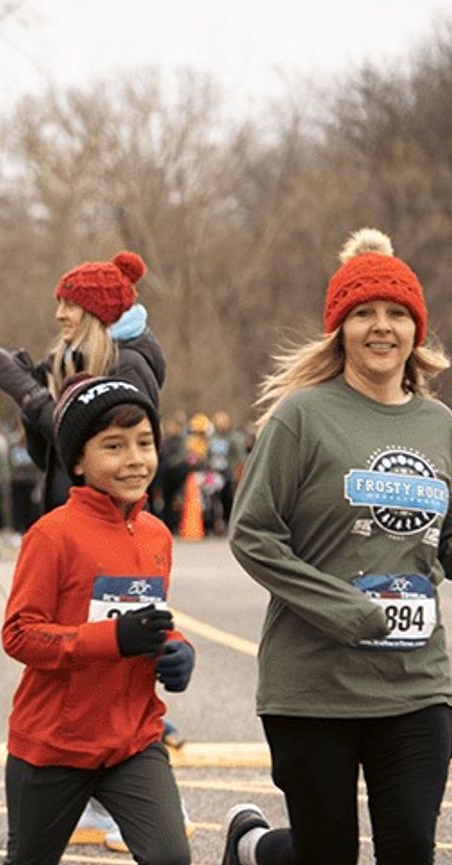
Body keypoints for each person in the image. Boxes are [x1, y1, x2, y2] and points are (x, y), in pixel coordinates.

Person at [224, 228, 452, 865]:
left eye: (397, 314)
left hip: (416, 685)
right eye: (364, 314)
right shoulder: (304, 416)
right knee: (326, 854)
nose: (382, 327)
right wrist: (340, 607)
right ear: (340, 329)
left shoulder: (441, 426)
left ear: (415, 329)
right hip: (313, 684)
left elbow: (446, 544)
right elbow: (252, 534)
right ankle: (254, 850)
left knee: (409, 846)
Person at [1, 373, 192, 865]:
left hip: (133, 741)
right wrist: (113, 639)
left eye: (144, 443)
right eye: (114, 446)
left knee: (171, 857)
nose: (135, 459)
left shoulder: (156, 535)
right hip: (52, 747)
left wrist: (177, 647)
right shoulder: (52, 535)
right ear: (80, 462)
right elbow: (20, 635)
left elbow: (149, 620)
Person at [0, 251, 166, 515]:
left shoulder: (128, 366)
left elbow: (98, 444)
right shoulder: (71, 362)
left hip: (109, 520)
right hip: (67, 517)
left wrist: (34, 397)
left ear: (97, 312)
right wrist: (28, 405)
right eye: (59, 304)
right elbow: (48, 459)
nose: (59, 315)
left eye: (70, 305)